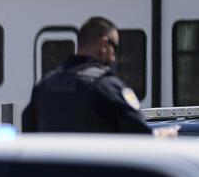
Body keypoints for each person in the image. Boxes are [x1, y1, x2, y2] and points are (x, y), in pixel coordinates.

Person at [21, 16, 151, 134]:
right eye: (115, 48)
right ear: (103, 44)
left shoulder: (44, 86)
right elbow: (142, 134)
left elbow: (28, 128)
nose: (113, 58)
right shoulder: (107, 87)